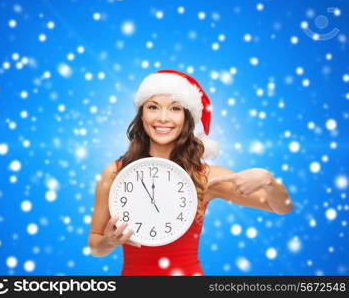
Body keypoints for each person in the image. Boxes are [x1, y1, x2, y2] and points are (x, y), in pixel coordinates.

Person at [87, 69, 294, 276]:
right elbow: (95, 246)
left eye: (175, 108)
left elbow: (281, 208)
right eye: (153, 107)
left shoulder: (205, 176)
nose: (163, 118)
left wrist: (269, 181)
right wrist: (108, 241)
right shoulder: (116, 173)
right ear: (142, 115)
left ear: (187, 117)